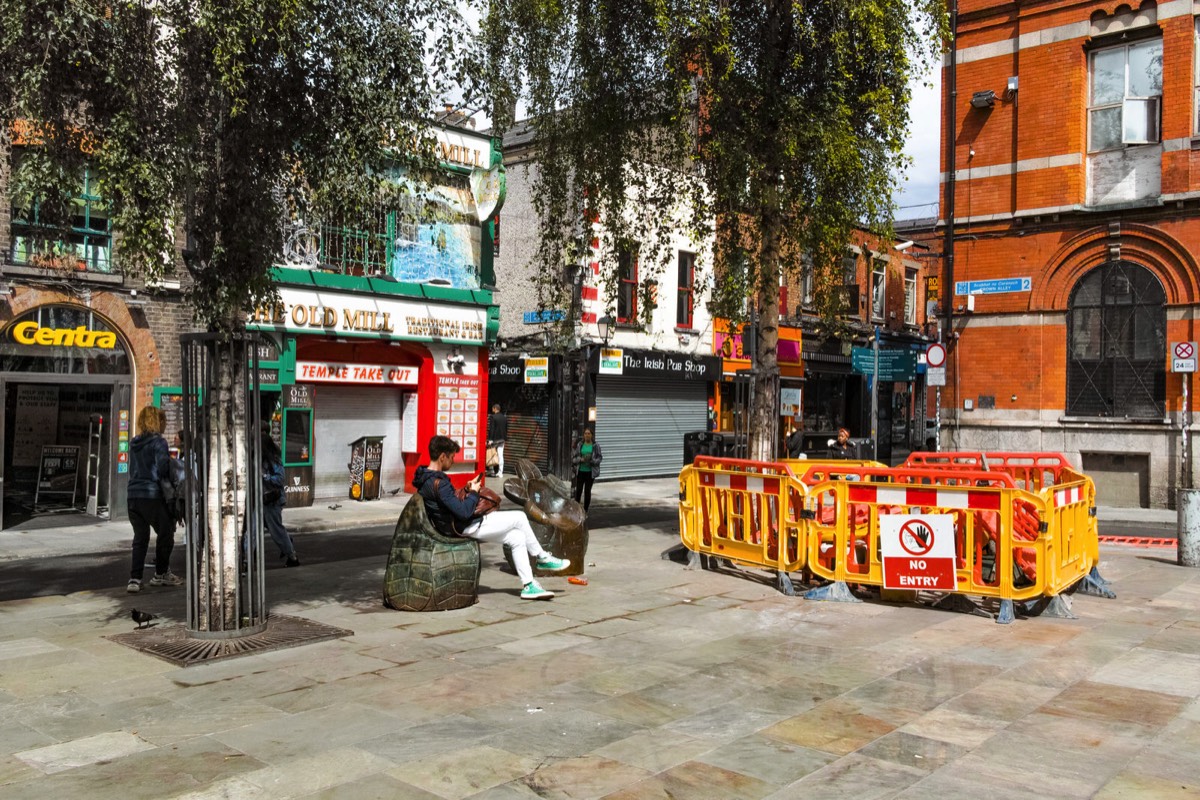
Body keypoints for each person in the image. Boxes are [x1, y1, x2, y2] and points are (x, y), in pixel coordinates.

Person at [412, 435, 569, 600]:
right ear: (442, 456)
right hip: (464, 526)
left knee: (517, 537)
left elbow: (448, 503)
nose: (452, 462)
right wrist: (473, 492)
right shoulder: (439, 482)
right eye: (451, 458)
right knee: (520, 517)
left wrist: (466, 489)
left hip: (456, 524)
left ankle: (529, 585)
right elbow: (464, 512)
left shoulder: (427, 479)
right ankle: (542, 557)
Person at [127, 406, 181, 592]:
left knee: (140, 537)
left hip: (133, 496)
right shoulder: (159, 443)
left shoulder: (134, 443)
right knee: (166, 533)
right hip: (152, 494)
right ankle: (161, 574)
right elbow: (163, 468)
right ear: (157, 421)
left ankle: (135, 579)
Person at [262, 431, 300, 567]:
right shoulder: (259, 459)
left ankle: (292, 555)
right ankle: (288, 543)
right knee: (254, 530)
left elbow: (280, 479)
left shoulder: (273, 460)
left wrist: (265, 477)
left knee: (276, 530)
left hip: (271, 501)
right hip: (261, 501)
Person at [571, 428, 602, 511]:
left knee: (587, 491)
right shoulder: (580, 444)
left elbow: (599, 458)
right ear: (583, 435)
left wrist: (592, 461)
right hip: (581, 471)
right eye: (585, 433)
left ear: (592, 435)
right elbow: (575, 457)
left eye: (589, 433)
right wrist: (579, 459)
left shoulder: (596, 445)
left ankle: (585, 511)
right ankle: (577, 510)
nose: (587, 435)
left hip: (590, 472)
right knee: (578, 491)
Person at [486, 403, 507, 477]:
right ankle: (500, 472)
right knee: (500, 455)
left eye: (492, 408)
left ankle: (491, 471)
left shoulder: (493, 417)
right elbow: (506, 429)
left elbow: (491, 429)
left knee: (491, 454)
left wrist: (490, 439)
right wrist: (504, 438)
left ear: (495, 409)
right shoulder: (504, 417)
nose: (492, 410)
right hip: (502, 439)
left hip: (494, 439)